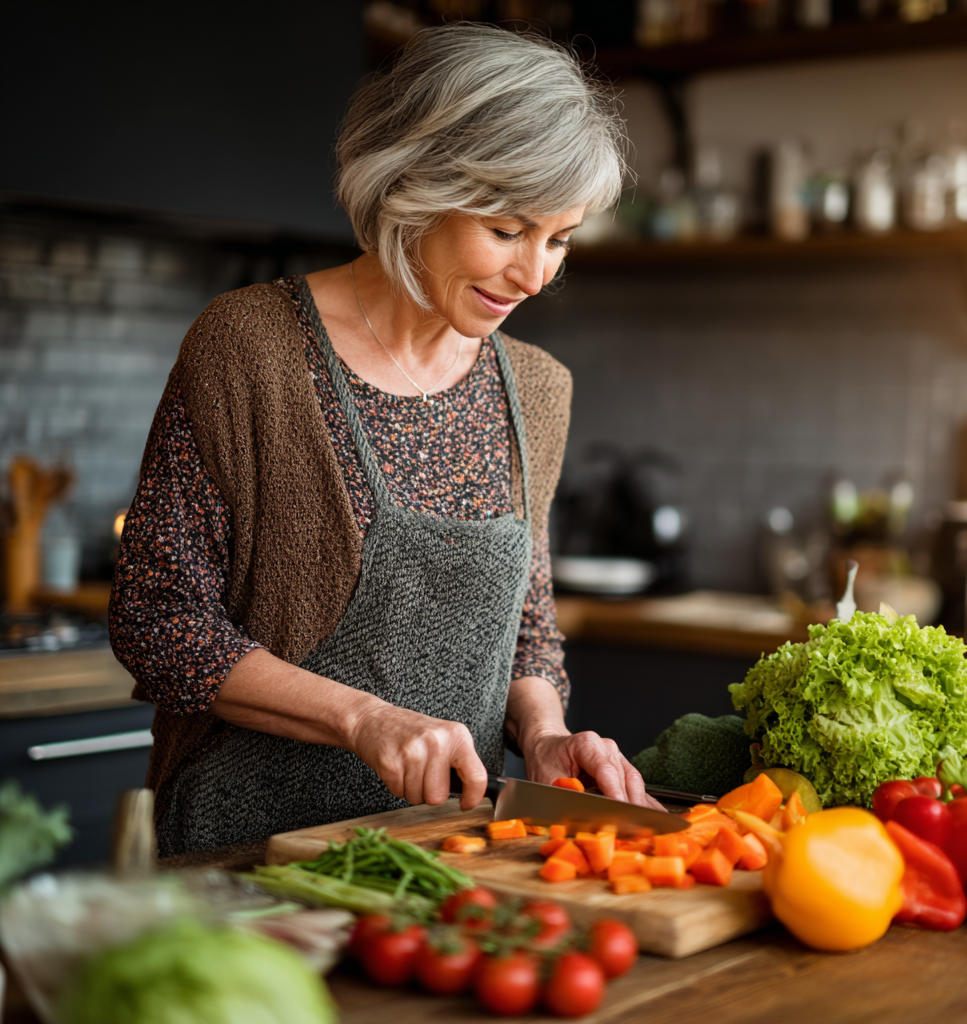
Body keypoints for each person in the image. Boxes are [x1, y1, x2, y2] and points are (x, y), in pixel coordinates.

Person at [110, 22, 657, 857]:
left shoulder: (539, 389)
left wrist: (545, 734)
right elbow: (160, 620)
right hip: (245, 853)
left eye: (560, 239)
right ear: (414, 186)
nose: (536, 274)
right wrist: (364, 721)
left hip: (450, 855)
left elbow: (527, 620)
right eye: (508, 231)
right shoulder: (250, 347)